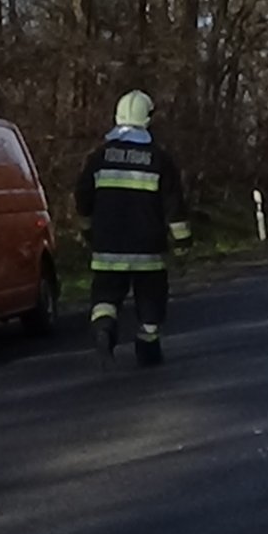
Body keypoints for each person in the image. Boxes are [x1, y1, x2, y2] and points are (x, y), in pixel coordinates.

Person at [75, 89, 192, 368]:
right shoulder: (159, 159)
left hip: (107, 247)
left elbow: (83, 197)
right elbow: (174, 207)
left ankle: (104, 329)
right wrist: (183, 244)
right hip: (147, 250)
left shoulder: (99, 157)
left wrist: (88, 230)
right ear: (148, 118)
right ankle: (147, 348)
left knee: (104, 297)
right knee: (151, 302)